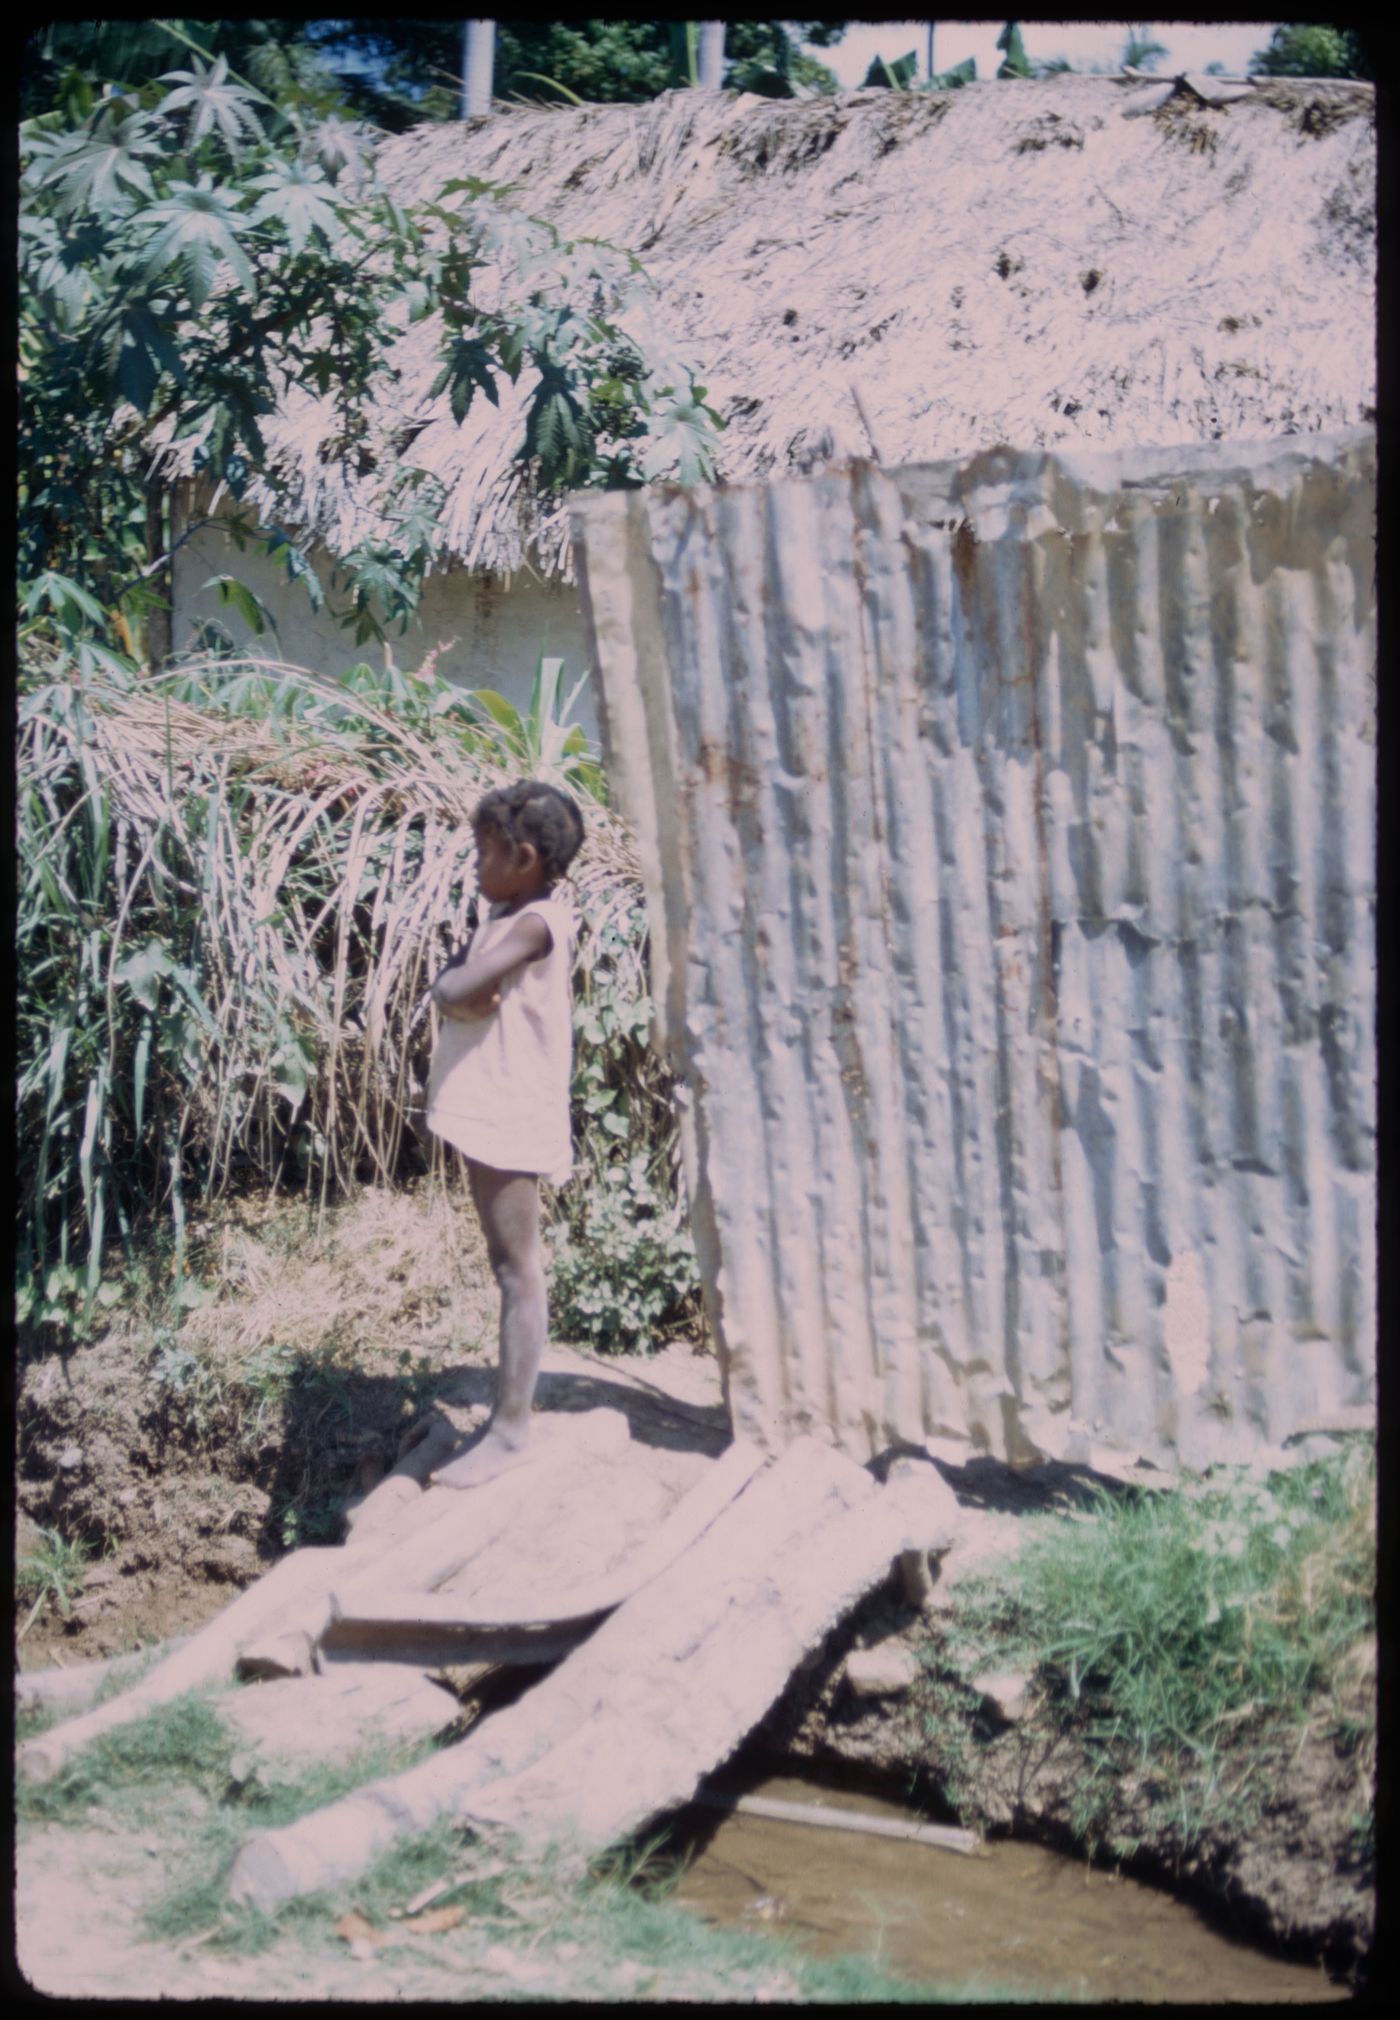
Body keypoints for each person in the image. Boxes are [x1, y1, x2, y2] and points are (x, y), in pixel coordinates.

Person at [424, 779, 585, 1487]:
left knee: (518, 1269)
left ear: (523, 857)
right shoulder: (508, 914)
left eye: (484, 852)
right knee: (506, 1262)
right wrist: (464, 988)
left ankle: (512, 1431)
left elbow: (458, 991)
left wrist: (451, 991)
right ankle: (508, 1423)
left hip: (511, 1111)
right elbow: (472, 988)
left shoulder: (537, 922)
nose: (474, 865)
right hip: (491, 1107)